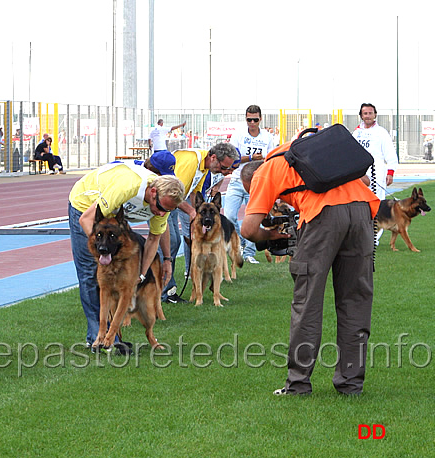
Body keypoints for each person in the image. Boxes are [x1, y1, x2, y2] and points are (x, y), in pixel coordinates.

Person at [240, 158, 379, 396]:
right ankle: (351, 384)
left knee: (307, 303)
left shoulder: (264, 173)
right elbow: (364, 180)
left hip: (322, 217)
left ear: (251, 181)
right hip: (362, 210)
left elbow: (249, 230)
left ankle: (298, 384)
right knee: (355, 302)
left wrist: (272, 235)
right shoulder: (303, 154)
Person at [68, 161, 185, 353]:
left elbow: (154, 238)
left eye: (167, 211)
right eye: (160, 208)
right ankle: (97, 338)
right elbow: (86, 220)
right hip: (85, 207)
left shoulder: (164, 203)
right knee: (91, 273)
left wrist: (145, 271)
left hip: (116, 215)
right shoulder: (128, 187)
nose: (161, 213)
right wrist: (102, 252)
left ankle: (112, 336)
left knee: (122, 272)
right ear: (153, 192)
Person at [143, 143, 240, 303]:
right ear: (214, 157)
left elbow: (195, 193)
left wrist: (196, 216)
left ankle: (166, 290)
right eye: (223, 168)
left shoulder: (204, 166)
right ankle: (158, 290)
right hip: (160, 201)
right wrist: (190, 211)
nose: (225, 173)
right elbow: (169, 191)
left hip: (170, 202)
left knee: (175, 242)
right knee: (169, 242)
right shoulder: (191, 162)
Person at [227, 105, 274, 264]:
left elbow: (271, 159)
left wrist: (261, 160)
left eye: (255, 119)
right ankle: (241, 241)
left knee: (254, 218)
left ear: (260, 119)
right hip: (236, 179)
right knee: (229, 216)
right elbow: (232, 158)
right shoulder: (238, 135)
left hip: (256, 182)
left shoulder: (267, 137)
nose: (252, 123)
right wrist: (251, 158)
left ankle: (249, 253)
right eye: (249, 120)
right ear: (245, 119)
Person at [352, 103, 399, 201]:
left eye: (370, 113)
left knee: (377, 200)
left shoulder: (381, 132)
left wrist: (390, 172)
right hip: (359, 172)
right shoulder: (356, 133)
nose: (368, 116)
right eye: (365, 113)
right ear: (361, 115)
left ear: (375, 115)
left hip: (376, 172)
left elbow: (390, 153)